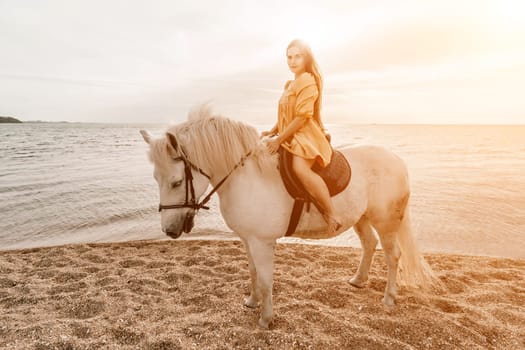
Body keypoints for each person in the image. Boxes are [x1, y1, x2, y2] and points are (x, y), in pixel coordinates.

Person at [262, 39, 342, 235]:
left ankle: (332, 214)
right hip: (290, 132)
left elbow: (301, 116)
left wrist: (279, 140)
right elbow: (285, 113)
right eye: (289, 57)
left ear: (306, 58)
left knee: (300, 168)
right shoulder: (290, 84)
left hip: (305, 135)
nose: (292, 61)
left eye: (298, 56)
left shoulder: (308, 80)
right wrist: (273, 130)